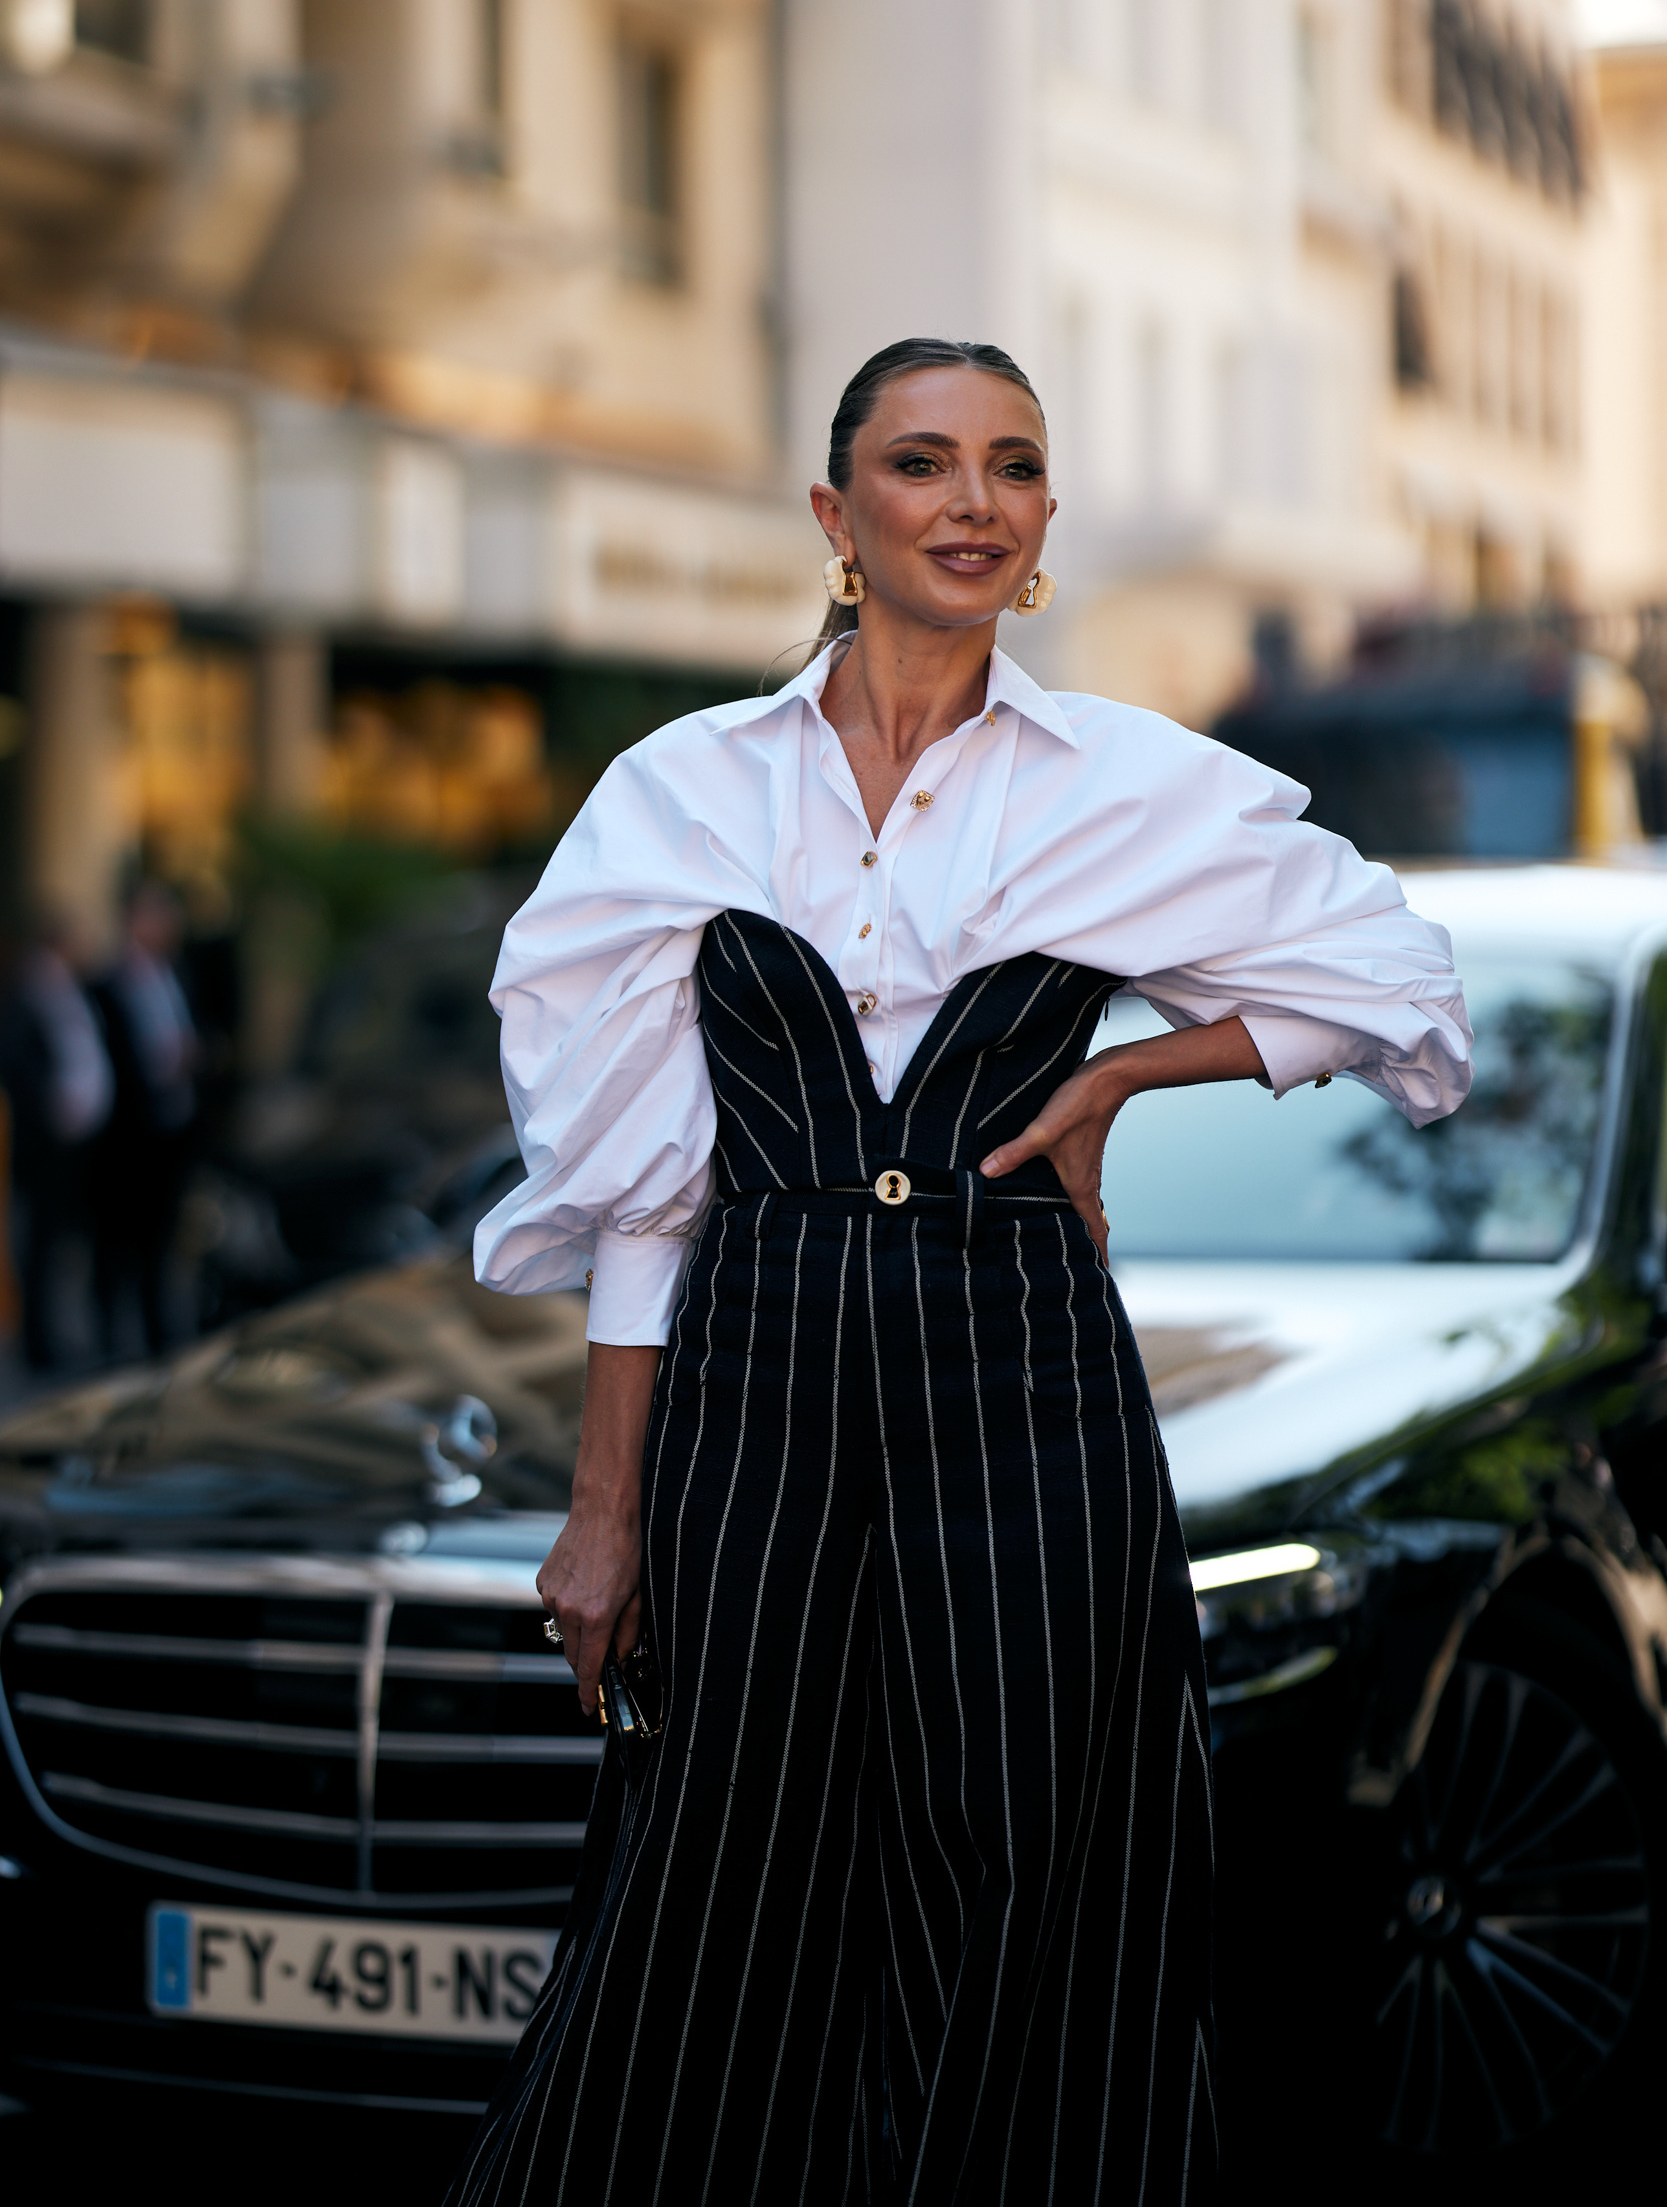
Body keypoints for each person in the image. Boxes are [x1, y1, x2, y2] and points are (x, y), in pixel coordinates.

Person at [452, 338, 1472, 2205]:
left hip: (1024, 1390)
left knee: (1036, 1861)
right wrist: (604, 1512)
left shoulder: (1119, 784)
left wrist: (1120, 1072)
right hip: (753, 1389)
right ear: (838, 519)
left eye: (1010, 468)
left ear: (1044, 522)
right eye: (922, 466)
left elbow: (1396, 992)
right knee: (715, 1862)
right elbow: (640, 1192)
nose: (971, 502)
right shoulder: (681, 792)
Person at [89, 878, 200, 1358]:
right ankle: (110, 1340)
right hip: (124, 1138)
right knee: (116, 1246)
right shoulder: (104, 985)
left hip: (171, 1130)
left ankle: (160, 1339)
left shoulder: (177, 975)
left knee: (162, 1243)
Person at [0, 914, 114, 1372]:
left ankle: (52, 1334)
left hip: (76, 1139)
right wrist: (51, 1108)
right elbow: (18, 1063)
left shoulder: (72, 990)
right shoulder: (28, 993)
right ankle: (37, 1341)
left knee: (62, 1243)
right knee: (40, 1245)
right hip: (43, 1141)